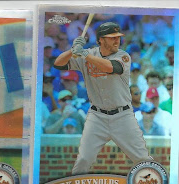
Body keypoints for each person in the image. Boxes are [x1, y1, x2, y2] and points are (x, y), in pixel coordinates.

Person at [54, 22, 152, 175]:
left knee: (142, 158)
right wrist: (71, 50)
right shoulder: (88, 54)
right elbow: (58, 64)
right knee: (83, 159)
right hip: (97, 116)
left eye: (118, 37)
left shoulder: (123, 56)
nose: (117, 40)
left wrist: (85, 54)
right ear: (100, 39)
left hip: (122, 116)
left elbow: (111, 67)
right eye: (112, 37)